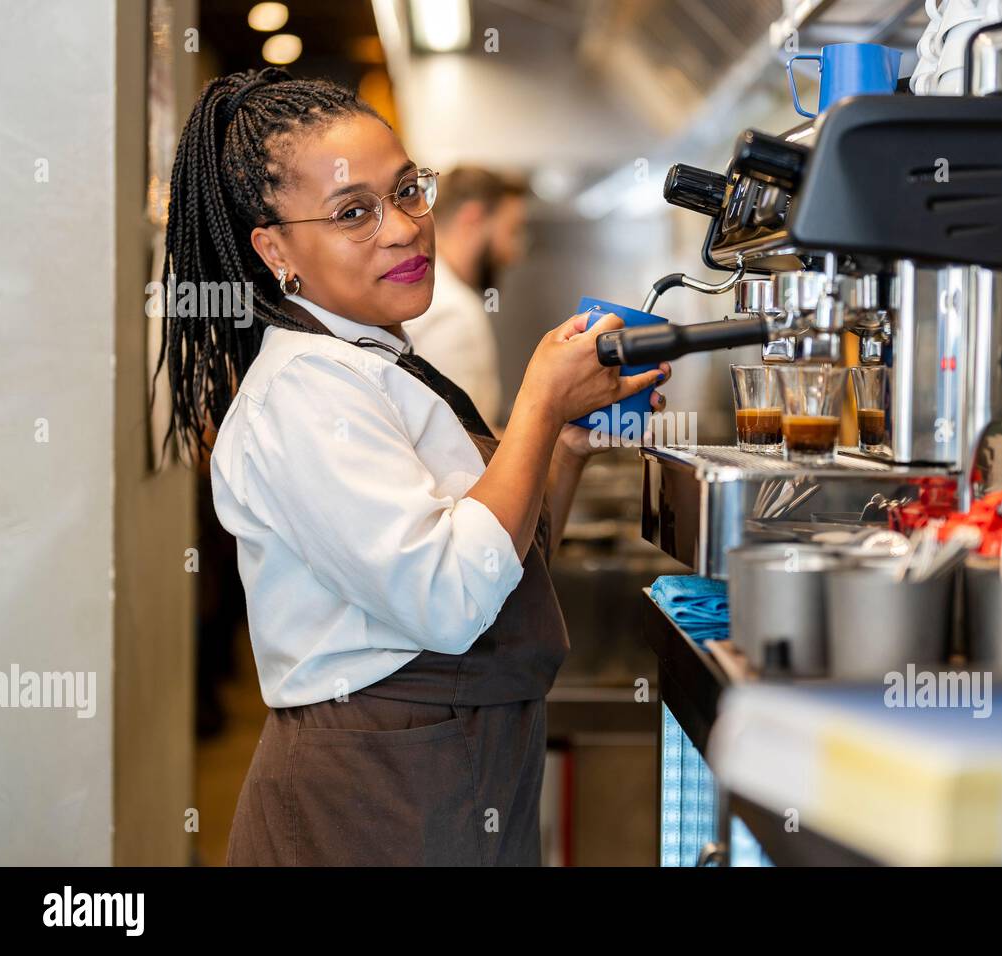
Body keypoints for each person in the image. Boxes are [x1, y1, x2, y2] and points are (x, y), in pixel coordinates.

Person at [157, 67, 669, 866]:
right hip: (378, 793)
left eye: (408, 192)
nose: (401, 228)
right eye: (353, 212)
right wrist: (535, 403)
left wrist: (561, 442)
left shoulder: (380, 360)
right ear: (275, 248)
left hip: (455, 767)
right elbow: (449, 597)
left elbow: (498, 564)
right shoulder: (304, 391)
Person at [401, 166, 528, 427]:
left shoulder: (431, 293)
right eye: (511, 231)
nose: (514, 252)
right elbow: (466, 443)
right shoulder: (453, 311)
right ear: (473, 219)